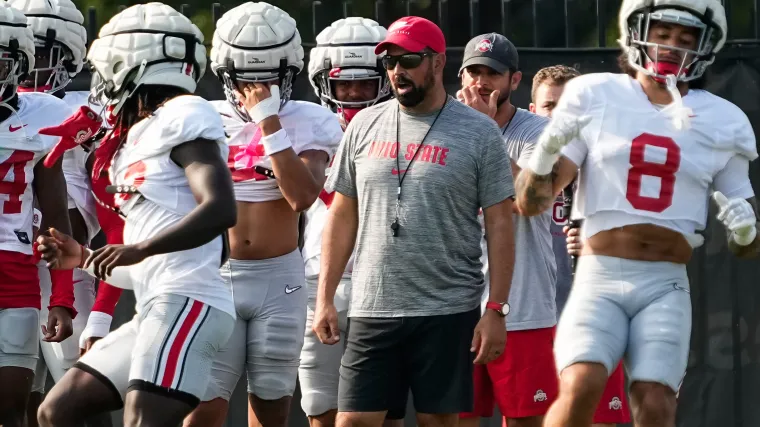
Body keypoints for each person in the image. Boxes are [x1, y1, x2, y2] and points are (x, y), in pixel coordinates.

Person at [514, 1, 759, 426]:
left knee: (656, 400)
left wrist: (744, 233)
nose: (671, 47)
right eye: (663, 33)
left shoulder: (723, 120)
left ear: (705, 48)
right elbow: (529, 202)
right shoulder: (595, 94)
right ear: (636, 31)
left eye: (686, 39)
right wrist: (544, 158)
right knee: (581, 384)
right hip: (600, 273)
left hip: (665, 283)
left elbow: (749, 248)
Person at [35, 3, 238, 426]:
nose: (102, 82)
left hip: (190, 302)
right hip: (156, 304)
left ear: (133, 65)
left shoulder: (183, 113)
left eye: (108, 68)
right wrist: (84, 259)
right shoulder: (135, 137)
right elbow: (146, 265)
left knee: (143, 420)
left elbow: (220, 209)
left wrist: (138, 247)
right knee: (57, 410)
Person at [314, 16, 516, 427]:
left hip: (447, 308)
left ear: (438, 63)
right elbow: (341, 213)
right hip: (373, 304)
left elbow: (500, 223)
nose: (396, 71)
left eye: (408, 60)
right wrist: (325, 297)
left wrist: (496, 308)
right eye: (390, 62)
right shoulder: (364, 124)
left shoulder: (479, 132)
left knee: (437, 423)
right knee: (351, 421)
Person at [182, 3, 342, 427]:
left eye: (269, 78)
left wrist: (268, 122)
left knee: (271, 410)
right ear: (226, 74)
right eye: (247, 79)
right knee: (201, 409)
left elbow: (303, 196)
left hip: (279, 280)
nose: (258, 88)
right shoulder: (202, 116)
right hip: (215, 276)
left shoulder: (309, 120)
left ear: (289, 73)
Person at [302, 16, 405, 427]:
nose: (355, 93)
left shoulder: (407, 126)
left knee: (385, 409)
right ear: (324, 81)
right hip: (319, 275)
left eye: (365, 83)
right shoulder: (305, 126)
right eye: (344, 84)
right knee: (319, 400)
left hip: (386, 277)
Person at [7, 3, 107, 425]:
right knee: (27, 393)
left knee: (78, 386)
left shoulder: (81, 111)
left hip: (63, 259)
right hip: (16, 258)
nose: (30, 63)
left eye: (42, 52)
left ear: (69, 56)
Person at [455, 32, 558, 427]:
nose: (481, 83)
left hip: (523, 302)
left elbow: (528, 203)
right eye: (473, 72)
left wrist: (486, 132)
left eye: (493, 74)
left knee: (524, 419)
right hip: (456, 300)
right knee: (454, 418)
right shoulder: (442, 125)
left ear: (515, 80)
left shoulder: (538, 132)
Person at [529, 64, 631, 427]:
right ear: (532, 110)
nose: (559, 117)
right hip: (533, 319)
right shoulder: (518, 164)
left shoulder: (609, 166)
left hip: (595, 313)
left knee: (601, 418)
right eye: (549, 106)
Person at [0, 4, 76, 426]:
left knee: (12, 408)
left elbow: (56, 216)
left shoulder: (44, 118)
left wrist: (62, 298)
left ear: (18, 66)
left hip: (15, 273)